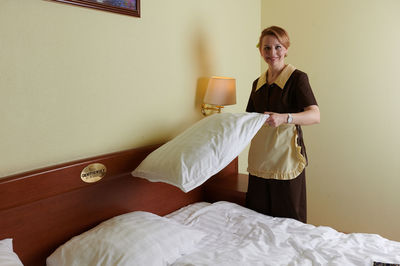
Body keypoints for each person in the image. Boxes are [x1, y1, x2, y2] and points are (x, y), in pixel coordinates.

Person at [245, 26, 320, 223]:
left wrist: (284, 117)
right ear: (260, 50)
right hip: (260, 160)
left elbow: (315, 115)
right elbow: (248, 119)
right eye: (266, 48)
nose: (272, 53)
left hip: (286, 159)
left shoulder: (297, 79)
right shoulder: (257, 84)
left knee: (289, 222)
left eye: (278, 47)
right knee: (258, 220)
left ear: (286, 48)